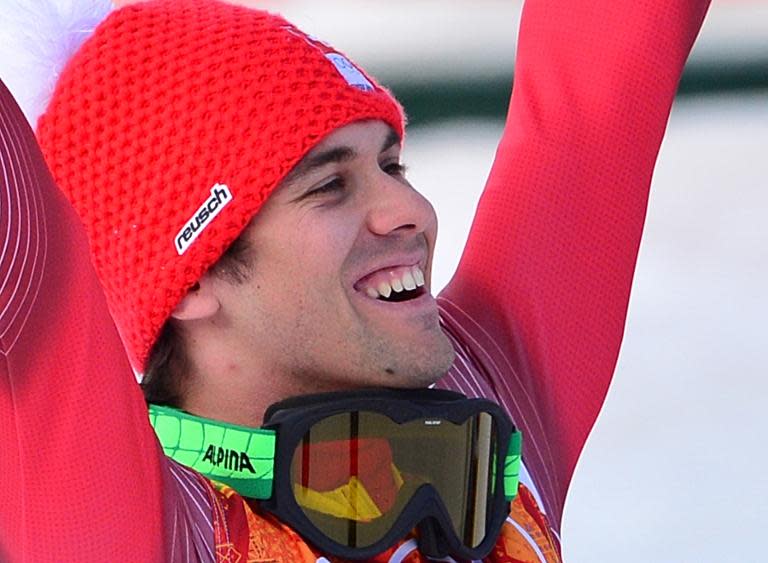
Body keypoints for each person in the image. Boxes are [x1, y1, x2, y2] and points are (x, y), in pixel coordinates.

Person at [0, 0, 710, 561]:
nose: (413, 212)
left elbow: (602, 78)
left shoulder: (487, 401)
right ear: (191, 274)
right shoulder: (124, 524)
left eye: (392, 165)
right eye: (330, 186)